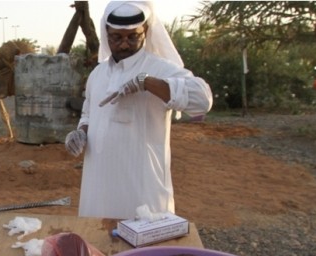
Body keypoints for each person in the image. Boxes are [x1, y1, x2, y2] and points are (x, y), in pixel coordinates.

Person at [64, 1, 213, 220]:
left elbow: (203, 100)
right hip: (97, 186)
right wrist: (81, 132)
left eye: (133, 37)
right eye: (117, 38)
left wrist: (147, 82)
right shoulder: (98, 74)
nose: (124, 45)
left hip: (142, 188)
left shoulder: (160, 68)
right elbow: (89, 111)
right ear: (106, 33)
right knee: (97, 244)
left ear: (146, 32)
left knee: (144, 250)